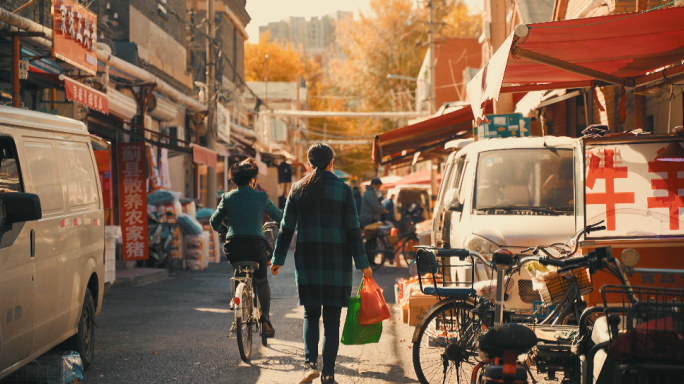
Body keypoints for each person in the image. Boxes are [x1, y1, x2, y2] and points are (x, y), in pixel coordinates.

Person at [270, 143, 372, 384]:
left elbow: (286, 229)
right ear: (331, 162)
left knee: (310, 314)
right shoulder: (344, 189)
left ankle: (309, 364)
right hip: (337, 263)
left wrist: (277, 259)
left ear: (309, 164)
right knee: (332, 320)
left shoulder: (297, 189)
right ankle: (328, 373)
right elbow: (353, 230)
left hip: (308, 260)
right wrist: (364, 264)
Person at [209, 158, 283, 338]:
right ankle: (265, 317)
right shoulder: (261, 196)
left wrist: (225, 227)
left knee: (238, 272)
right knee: (261, 280)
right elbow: (280, 216)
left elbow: (214, 222)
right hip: (255, 246)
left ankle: (237, 301)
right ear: (252, 180)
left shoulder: (227, 197)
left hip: (234, 246)